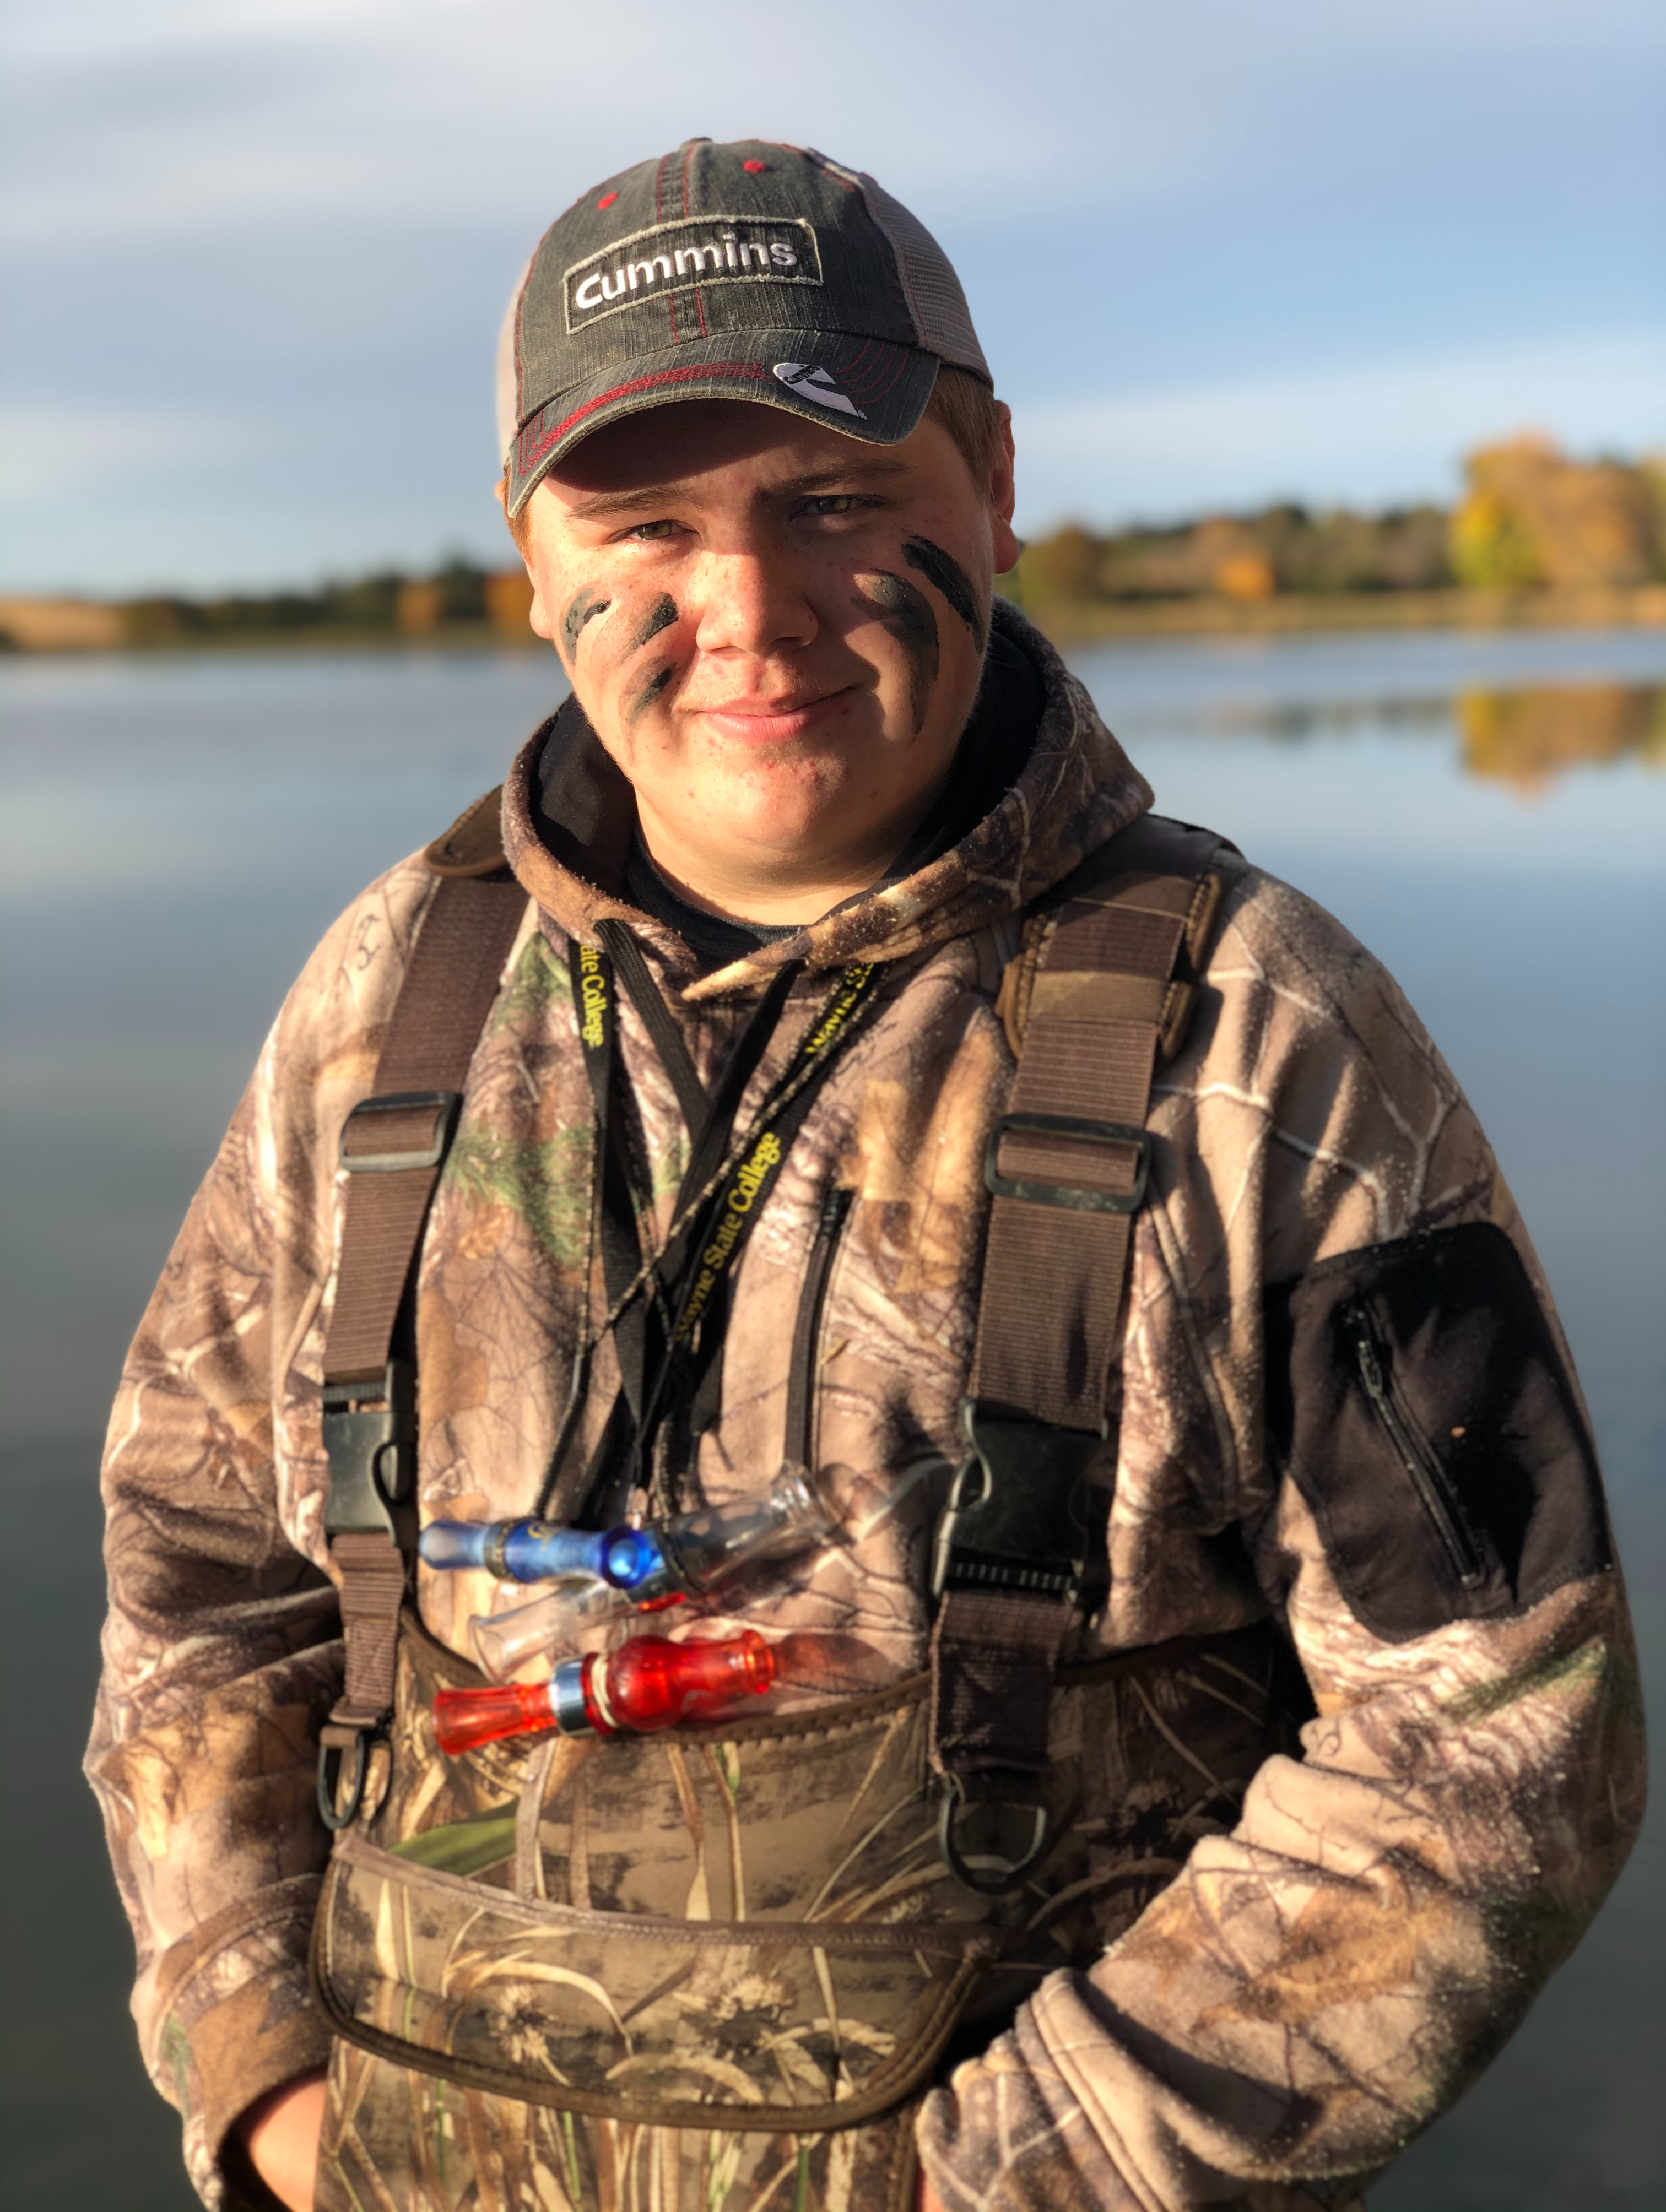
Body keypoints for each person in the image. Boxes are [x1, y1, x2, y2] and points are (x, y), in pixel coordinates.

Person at [88, 138, 1642, 2212]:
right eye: (644, 525)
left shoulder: (1267, 1037)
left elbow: (1497, 1756)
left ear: (991, 480)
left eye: (834, 502)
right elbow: (199, 1565)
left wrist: (989, 2187)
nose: (744, 613)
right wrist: (263, 2068)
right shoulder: (393, 991)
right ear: (528, 556)